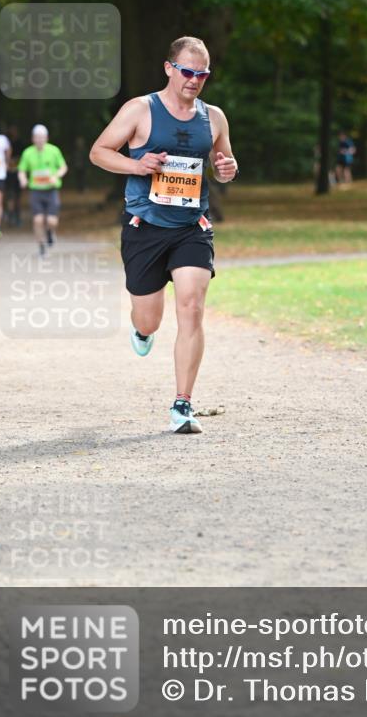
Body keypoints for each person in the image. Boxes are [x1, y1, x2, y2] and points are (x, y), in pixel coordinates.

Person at [89, 35, 238, 435]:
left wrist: (226, 169)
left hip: (192, 227)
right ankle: (141, 330)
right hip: (145, 228)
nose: (194, 80)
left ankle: (182, 404)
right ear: (169, 68)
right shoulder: (140, 109)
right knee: (150, 318)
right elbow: (99, 151)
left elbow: (223, 159)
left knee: (191, 308)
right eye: (187, 71)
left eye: (202, 73)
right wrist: (139, 166)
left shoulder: (214, 116)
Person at [18, 125, 68, 256]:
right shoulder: (27, 152)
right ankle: (41, 247)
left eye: (42, 137)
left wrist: (56, 176)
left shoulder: (54, 150)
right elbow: (22, 170)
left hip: (51, 190)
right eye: (37, 137)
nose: (39, 140)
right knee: (38, 220)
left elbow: (63, 167)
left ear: (46, 138)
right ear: (33, 139)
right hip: (36, 191)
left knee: (52, 221)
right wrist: (23, 179)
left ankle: (50, 232)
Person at [5, 124, 24, 227]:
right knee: (10, 196)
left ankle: (16, 216)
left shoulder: (20, 143)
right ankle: (10, 215)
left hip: (17, 172)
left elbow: (23, 157)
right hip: (9, 173)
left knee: (17, 197)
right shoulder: (6, 142)